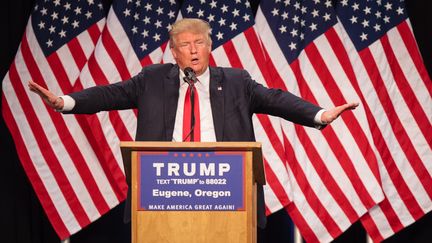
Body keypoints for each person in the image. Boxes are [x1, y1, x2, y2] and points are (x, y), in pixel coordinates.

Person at [28, 18, 358, 231]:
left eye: (199, 42)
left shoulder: (236, 81)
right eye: (185, 45)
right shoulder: (152, 80)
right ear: (174, 53)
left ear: (210, 47)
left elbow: (275, 98)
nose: (194, 49)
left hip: (228, 198)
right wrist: (66, 102)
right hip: (161, 199)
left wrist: (319, 114)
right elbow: (110, 95)